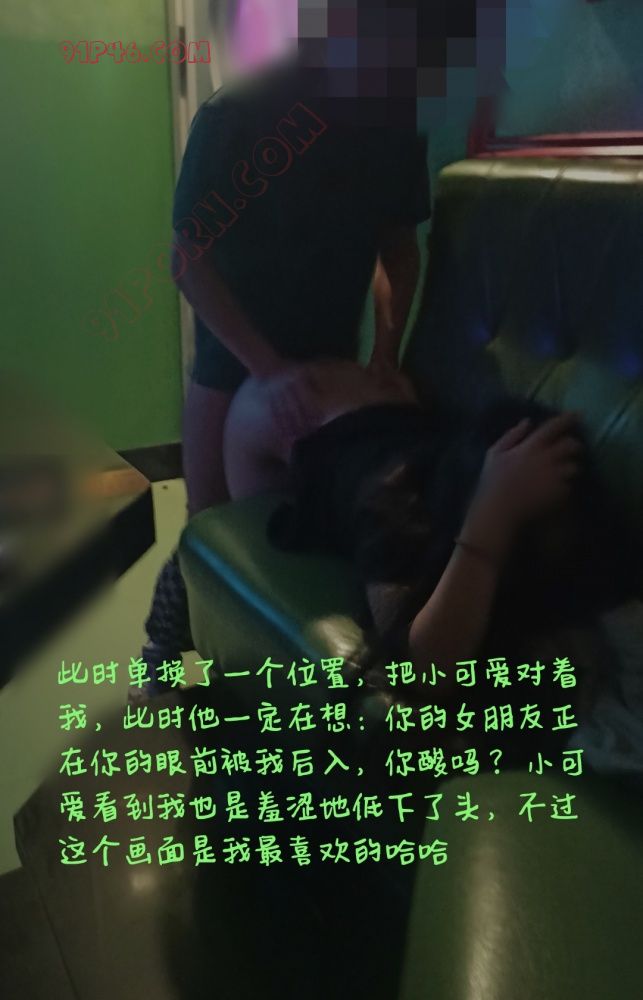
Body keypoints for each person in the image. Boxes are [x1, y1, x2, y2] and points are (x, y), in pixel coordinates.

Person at [141, 0, 431, 679]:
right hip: (231, 364)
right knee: (213, 531)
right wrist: (265, 368)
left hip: (331, 361)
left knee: (306, 529)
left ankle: (264, 678)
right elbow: (188, 259)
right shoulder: (234, 116)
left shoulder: (391, 121)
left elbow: (398, 251)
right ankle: (161, 650)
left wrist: (385, 354)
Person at [223, 358, 639, 763]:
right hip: (354, 443)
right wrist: (490, 520)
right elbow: (426, 670)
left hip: (426, 432)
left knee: (276, 399)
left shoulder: (575, 533)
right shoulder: (393, 512)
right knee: (261, 402)